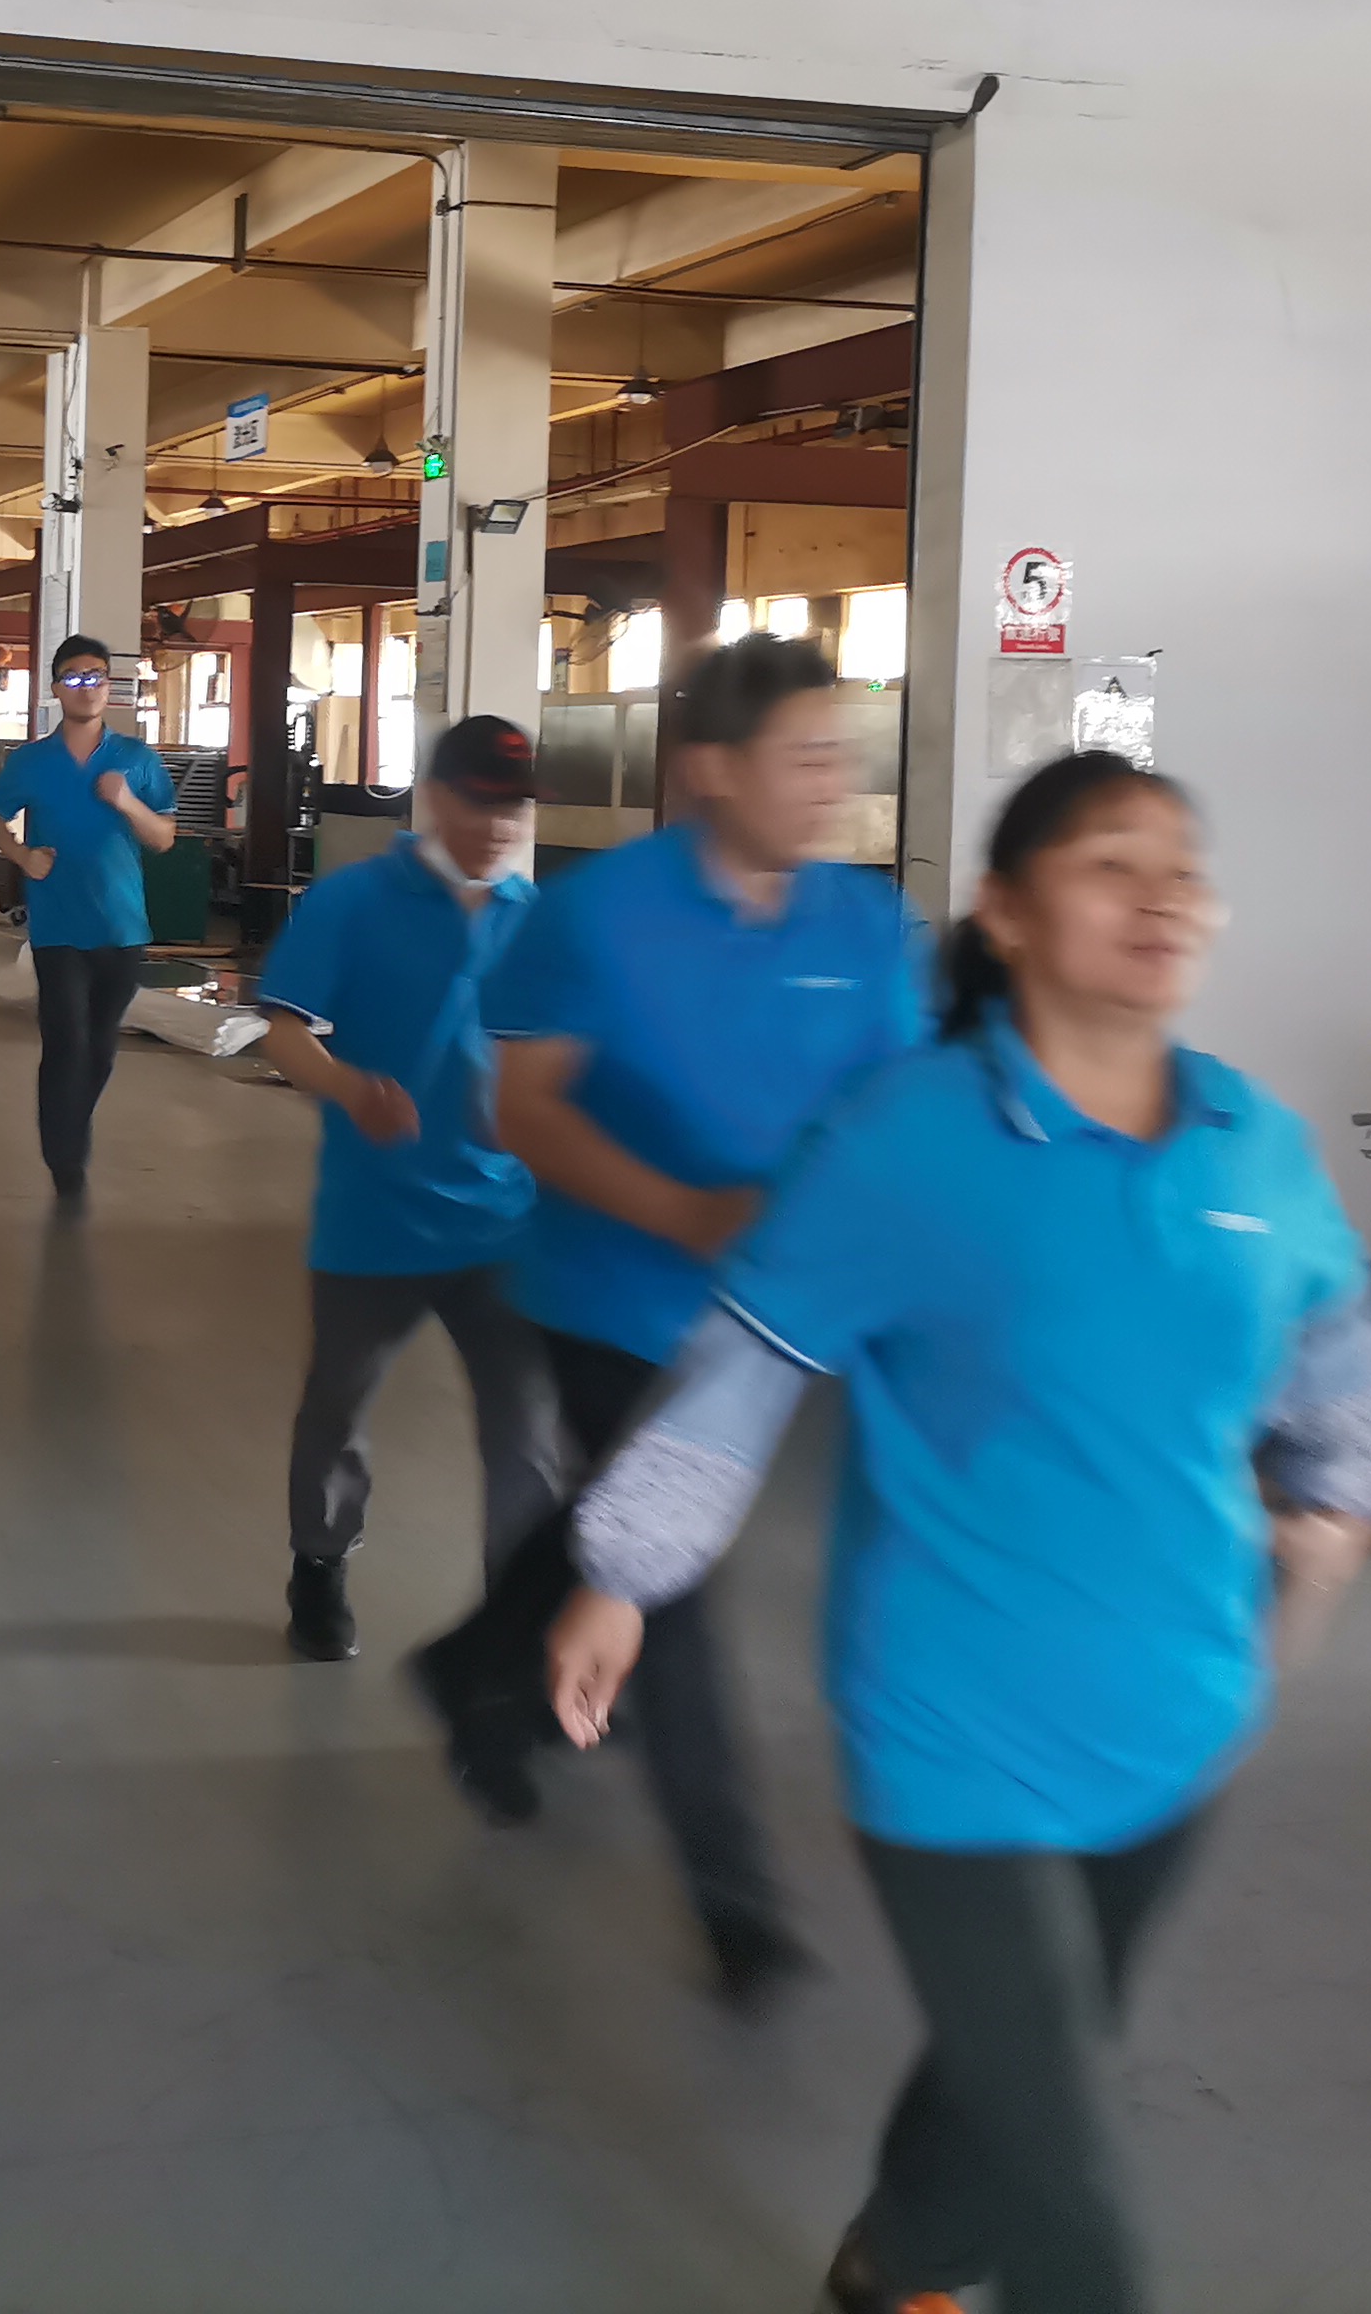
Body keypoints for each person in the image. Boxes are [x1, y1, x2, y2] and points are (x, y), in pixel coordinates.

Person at [544, 753, 1371, 2314]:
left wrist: (1340, 1500)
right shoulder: (909, 1139)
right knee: (1074, 2198)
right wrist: (625, 1574)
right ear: (1005, 913)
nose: (1163, 897)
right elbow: (748, 1366)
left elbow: (1333, 1336)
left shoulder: (1253, 1143)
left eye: (1184, 869)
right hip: (954, 1719)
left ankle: (899, 2258)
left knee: (1036, 2054)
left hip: (1186, 1704)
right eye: (1111, 864)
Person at [408, 633, 923, 2008]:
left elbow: (900, 1110)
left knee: (601, 1526)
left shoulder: (863, 924)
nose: (831, 783)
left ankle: (469, 1667)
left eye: (840, 757)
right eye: (803, 757)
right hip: (612, 1296)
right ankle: (737, 1905)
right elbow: (519, 1110)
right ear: (711, 769)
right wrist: (679, 1210)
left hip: (774, 1313)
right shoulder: (596, 916)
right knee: (669, 1566)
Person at [261, 716, 563, 1663]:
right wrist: (350, 1088)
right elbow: (283, 1032)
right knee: (338, 1407)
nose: (501, 824)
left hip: (506, 1223)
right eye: (482, 802)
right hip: (375, 1217)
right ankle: (320, 1561)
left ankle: (519, 1617)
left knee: (527, 1433)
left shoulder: (538, 920)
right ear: (434, 799)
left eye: (516, 806)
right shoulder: (352, 902)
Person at [0, 634, 178, 1200]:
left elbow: (164, 837)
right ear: (56, 689)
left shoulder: (137, 759)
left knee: (99, 1047)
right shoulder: (31, 761)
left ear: (109, 686)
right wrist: (22, 855)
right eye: (74, 677)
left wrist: (127, 801)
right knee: (65, 1039)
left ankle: (73, 1123)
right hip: (57, 926)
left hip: (121, 925)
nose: (86, 686)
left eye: (96, 676)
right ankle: (64, 1158)